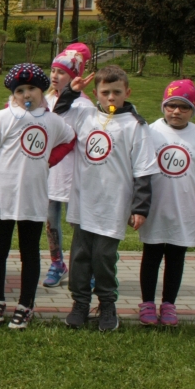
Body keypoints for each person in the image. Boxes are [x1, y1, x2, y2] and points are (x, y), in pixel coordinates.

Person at [54, 65, 158, 332]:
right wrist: (70, 92)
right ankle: (79, 304)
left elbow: (144, 170)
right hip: (84, 202)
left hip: (113, 206)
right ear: (96, 93)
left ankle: (108, 305)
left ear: (127, 92)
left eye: (116, 92)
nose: (111, 98)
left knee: (103, 258)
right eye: (105, 92)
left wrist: (140, 207)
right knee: (79, 257)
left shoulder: (136, 126)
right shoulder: (85, 116)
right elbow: (56, 118)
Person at [0, 64, 76, 330]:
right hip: (3, 198)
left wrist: (48, 161)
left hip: (33, 197)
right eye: (20, 90)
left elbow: (69, 140)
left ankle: (25, 304)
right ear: (13, 94)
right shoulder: (2, 118)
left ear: (43, 91)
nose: (26, 94)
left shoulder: (53, 121)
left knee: (29, 252)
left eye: (32, 88)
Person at [138, 80, 195, 327]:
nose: (176, 111)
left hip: (185, 210)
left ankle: (169, 304)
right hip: (155, 209)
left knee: (176, 258)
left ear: (193, 109)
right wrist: (136, 208)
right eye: (171, 105)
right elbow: (138, 170)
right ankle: (147, 304)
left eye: (183, 107)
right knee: (151, 257)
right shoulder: (150, 132)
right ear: (163, 106)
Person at [43, 43, 94, 288]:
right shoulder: (45, 100)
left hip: (73, 173)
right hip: (48, 172)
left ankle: (84, 266)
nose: (54, 76)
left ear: (75, 77)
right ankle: (57, 263)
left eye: (61, 72)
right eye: (53, 70)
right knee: (50, 220)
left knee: (79, 222)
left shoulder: (84, 106)